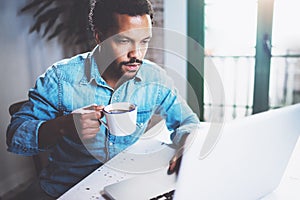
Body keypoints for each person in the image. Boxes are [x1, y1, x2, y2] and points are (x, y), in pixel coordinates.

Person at [6, 0, 200, 198]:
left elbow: (188, 122)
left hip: (124, 188)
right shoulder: (60, 78)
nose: (137, 54)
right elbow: (14, 135)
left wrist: (186, 146)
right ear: (100, 37)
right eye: (124, 41)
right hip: (65, 190)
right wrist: (63, 126)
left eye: (144, 41)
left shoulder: (155, 78)